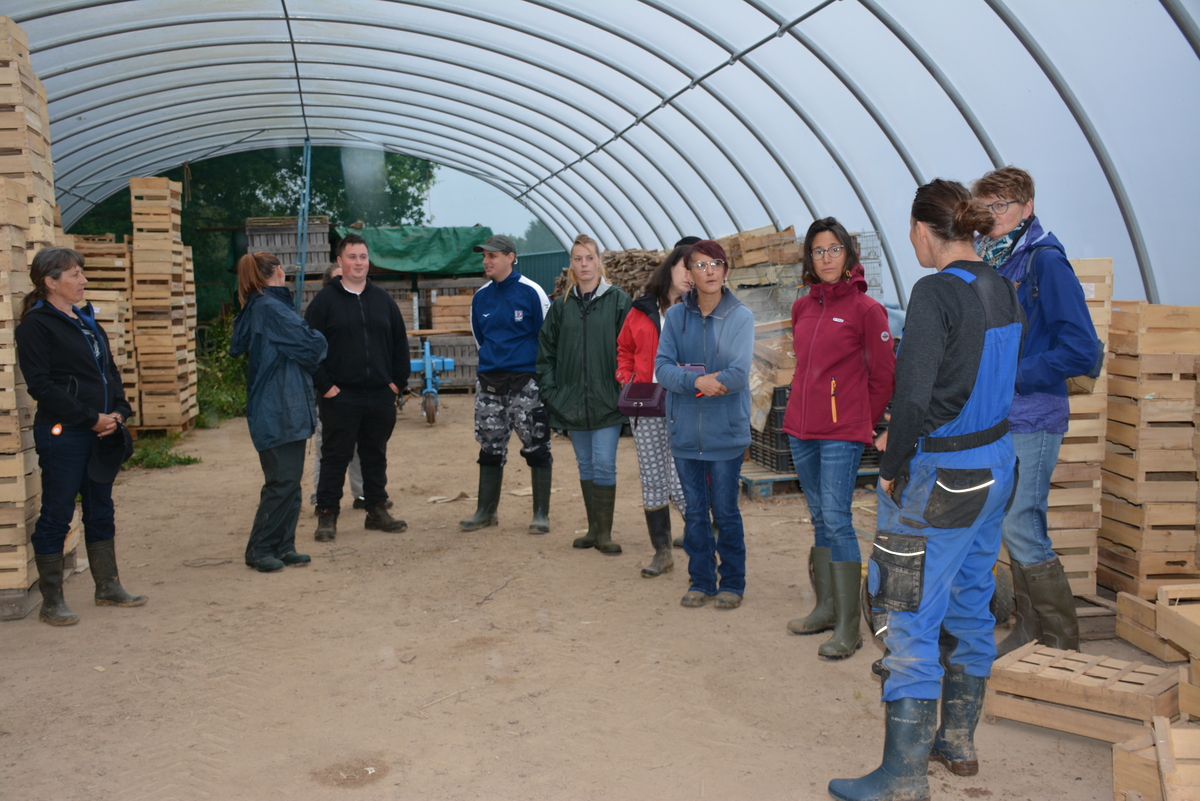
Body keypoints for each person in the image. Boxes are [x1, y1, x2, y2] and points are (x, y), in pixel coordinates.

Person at [828, 181, 1023, 801]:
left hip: (944, 474)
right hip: (997, 464)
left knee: (906, 607)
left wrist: (895, 458)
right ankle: (957, 742)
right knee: (969, 597)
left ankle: (902, 777)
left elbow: (914, 396)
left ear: (920, 229)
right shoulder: (1001, 285)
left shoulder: (935, 291)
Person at [973, 166, 1097, 656]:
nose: (992, 216)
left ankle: (1064, 645)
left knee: (1021, 522)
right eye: (985, 208)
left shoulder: (1045, 261)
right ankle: (1029, 629)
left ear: (1026, 208)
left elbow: (1082, 351)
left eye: (1001, 206)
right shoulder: (997, 261)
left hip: (1035, 413)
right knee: (1009, 521)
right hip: (1003, 416)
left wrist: (1015, 374)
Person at [783, 217, 895, 658]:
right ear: (808, 259)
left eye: (834, 249)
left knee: (837, 517)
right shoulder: (802, 307)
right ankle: (826, 607)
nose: (826, 258)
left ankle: (849, 627)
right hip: (800, 428)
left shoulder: (867, 310)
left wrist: (858, 422)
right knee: (819, 517)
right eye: (817, 251)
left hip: (840, 432)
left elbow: (884, 375)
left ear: (849, 254)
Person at [16, 247, 144, 626]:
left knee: (100, 506)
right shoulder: (36, 325)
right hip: (65, 434)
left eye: (82, 273)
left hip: (103, 431)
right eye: (74, 275)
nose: (83, 280)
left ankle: (107, 585)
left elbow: (110, 373)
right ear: (50, 282)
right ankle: (51, 600)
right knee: (57, 513)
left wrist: (119, 412)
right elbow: (42, 385)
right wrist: (90, 419)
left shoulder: (88, 322)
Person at [655, 240, 754, 609]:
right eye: (700, 265)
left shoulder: (739, 317)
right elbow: (662, 367)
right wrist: (695, 381)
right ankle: (700, 580)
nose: (709, 271)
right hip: (684, 433)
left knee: (725, 511)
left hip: (724, 433)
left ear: (725, 271)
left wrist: (710, 380)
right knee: (695, 511)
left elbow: (739, 373)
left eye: (716, 263)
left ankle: (732, 582)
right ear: (689, 274)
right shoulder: (676, 318)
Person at [304, 233, 409, 541]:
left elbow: (400, 345)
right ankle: (327, 515)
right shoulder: (324, 303)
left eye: (363, 257)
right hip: (340, 395)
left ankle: (376, 509)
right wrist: (326, 386)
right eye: (352, 257)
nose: (359, 263)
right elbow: (309, 350)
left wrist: (396, 384)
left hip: (379, 394)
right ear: (340, 261)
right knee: (334, 456)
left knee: (375, 454)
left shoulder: (382, 300)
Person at [229, 252, 328, 572]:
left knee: (288, 479)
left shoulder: (262, 306)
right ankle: (259, 549)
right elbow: (312, 345)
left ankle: (284, 546)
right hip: (278, 407)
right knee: (281, 481)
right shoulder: (270, 308)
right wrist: (317, 338)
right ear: (277, 272)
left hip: (283, 405)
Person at [537, 234, 631, 554]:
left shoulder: (618, 300)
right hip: (571, 400)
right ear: (572, 266)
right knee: (586, 464)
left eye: (589, 258)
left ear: (599, 262)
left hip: (607, 398)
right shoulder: (561, 306)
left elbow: (631, 348)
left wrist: (623, 386)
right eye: (578, 259)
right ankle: (592, 529)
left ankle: (604, 532)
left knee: (604, 463)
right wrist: (551, 392)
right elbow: (545, 351)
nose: (584, 264)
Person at [459, 234, 554, 534]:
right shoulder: (481, 297)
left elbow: (547, 338)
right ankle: (486, 511)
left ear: (511, 257)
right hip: (490, 384)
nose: (486, 261)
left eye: (493, 256)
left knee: (537, 445)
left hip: (526, 383)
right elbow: (479, 338)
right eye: (484, 256)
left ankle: (541, 514)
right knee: (489, 448)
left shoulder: (532, 292)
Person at [616, 240, 694, 577]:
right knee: (652, 475)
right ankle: (662, 551)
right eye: (685, 266)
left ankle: (704, 538)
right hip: (646, 403)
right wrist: (627, 377)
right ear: (671, 266)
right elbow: (624, 347)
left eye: (700, 268)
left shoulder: (702, 309)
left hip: (687, 403)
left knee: (680, 476)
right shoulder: (643, 308)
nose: (691, 275)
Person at [308, 265, 382, 514]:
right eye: (339, 277)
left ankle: (362, 495)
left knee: (363, 450)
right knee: (327, 450)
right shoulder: (324, 308)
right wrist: (326, 386)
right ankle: (322, 500)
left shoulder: (367, 305)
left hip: (360, 396)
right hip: (332, 396)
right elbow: (311, 353)